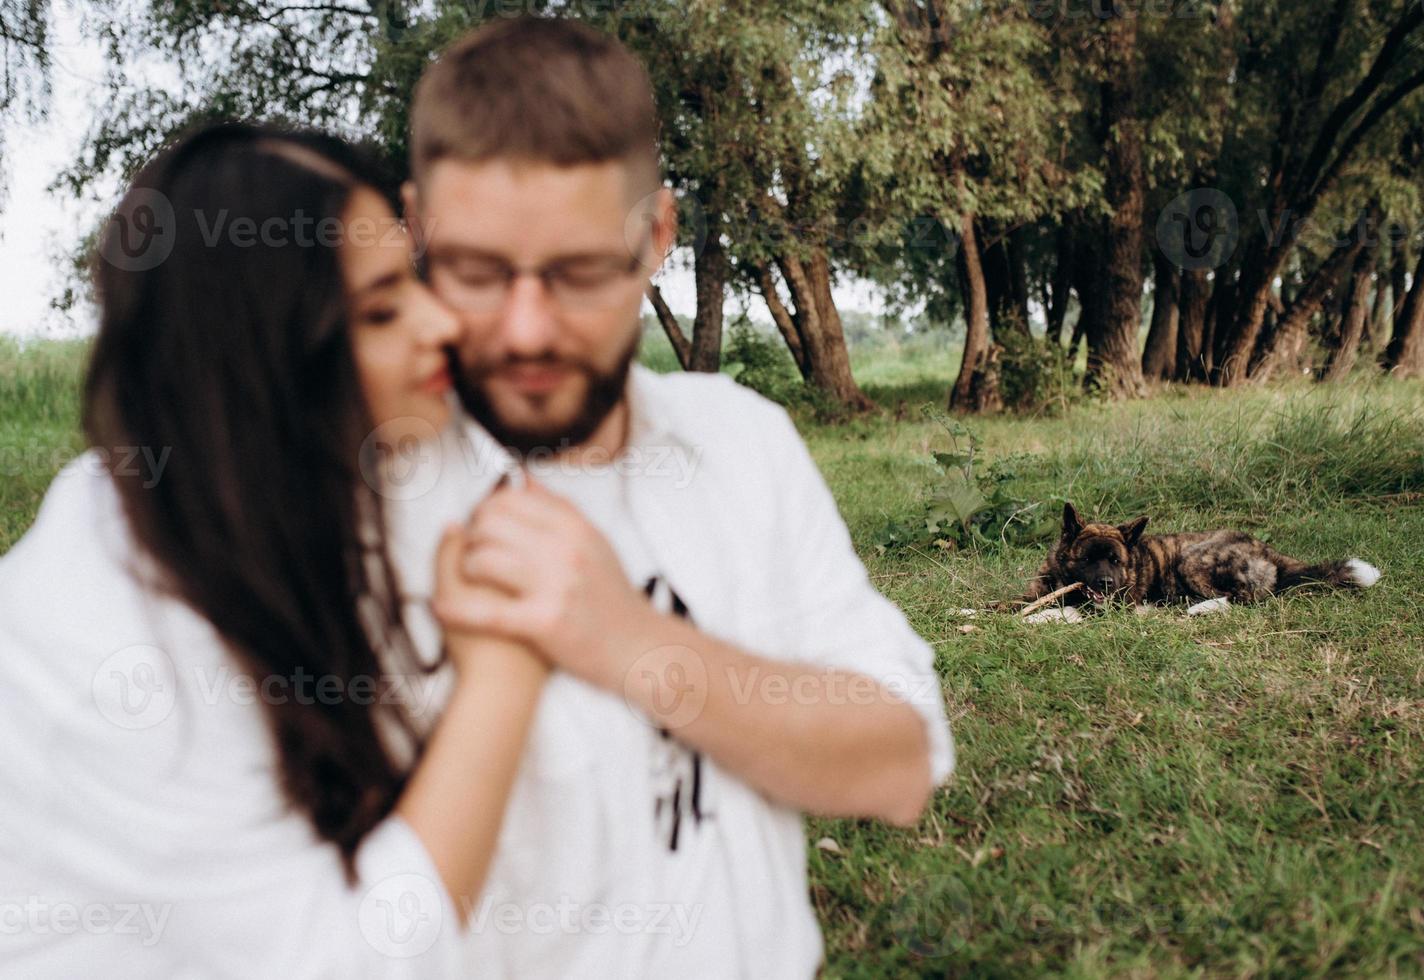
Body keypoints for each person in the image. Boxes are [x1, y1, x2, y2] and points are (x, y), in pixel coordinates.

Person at [391, 17, 957, 977]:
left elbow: (899, 759)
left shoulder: (737, 439)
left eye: (573, 273)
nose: (525, 332)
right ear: (416, 231)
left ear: (654, 234)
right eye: (479, 272)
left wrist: (633, 644)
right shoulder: (363, 501)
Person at [0, 122, 545, 976]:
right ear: (265, 357)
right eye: (379, 309)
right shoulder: (101, 653)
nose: (442, 324)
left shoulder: (314, 473)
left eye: (415, 277)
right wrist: (503, 680)